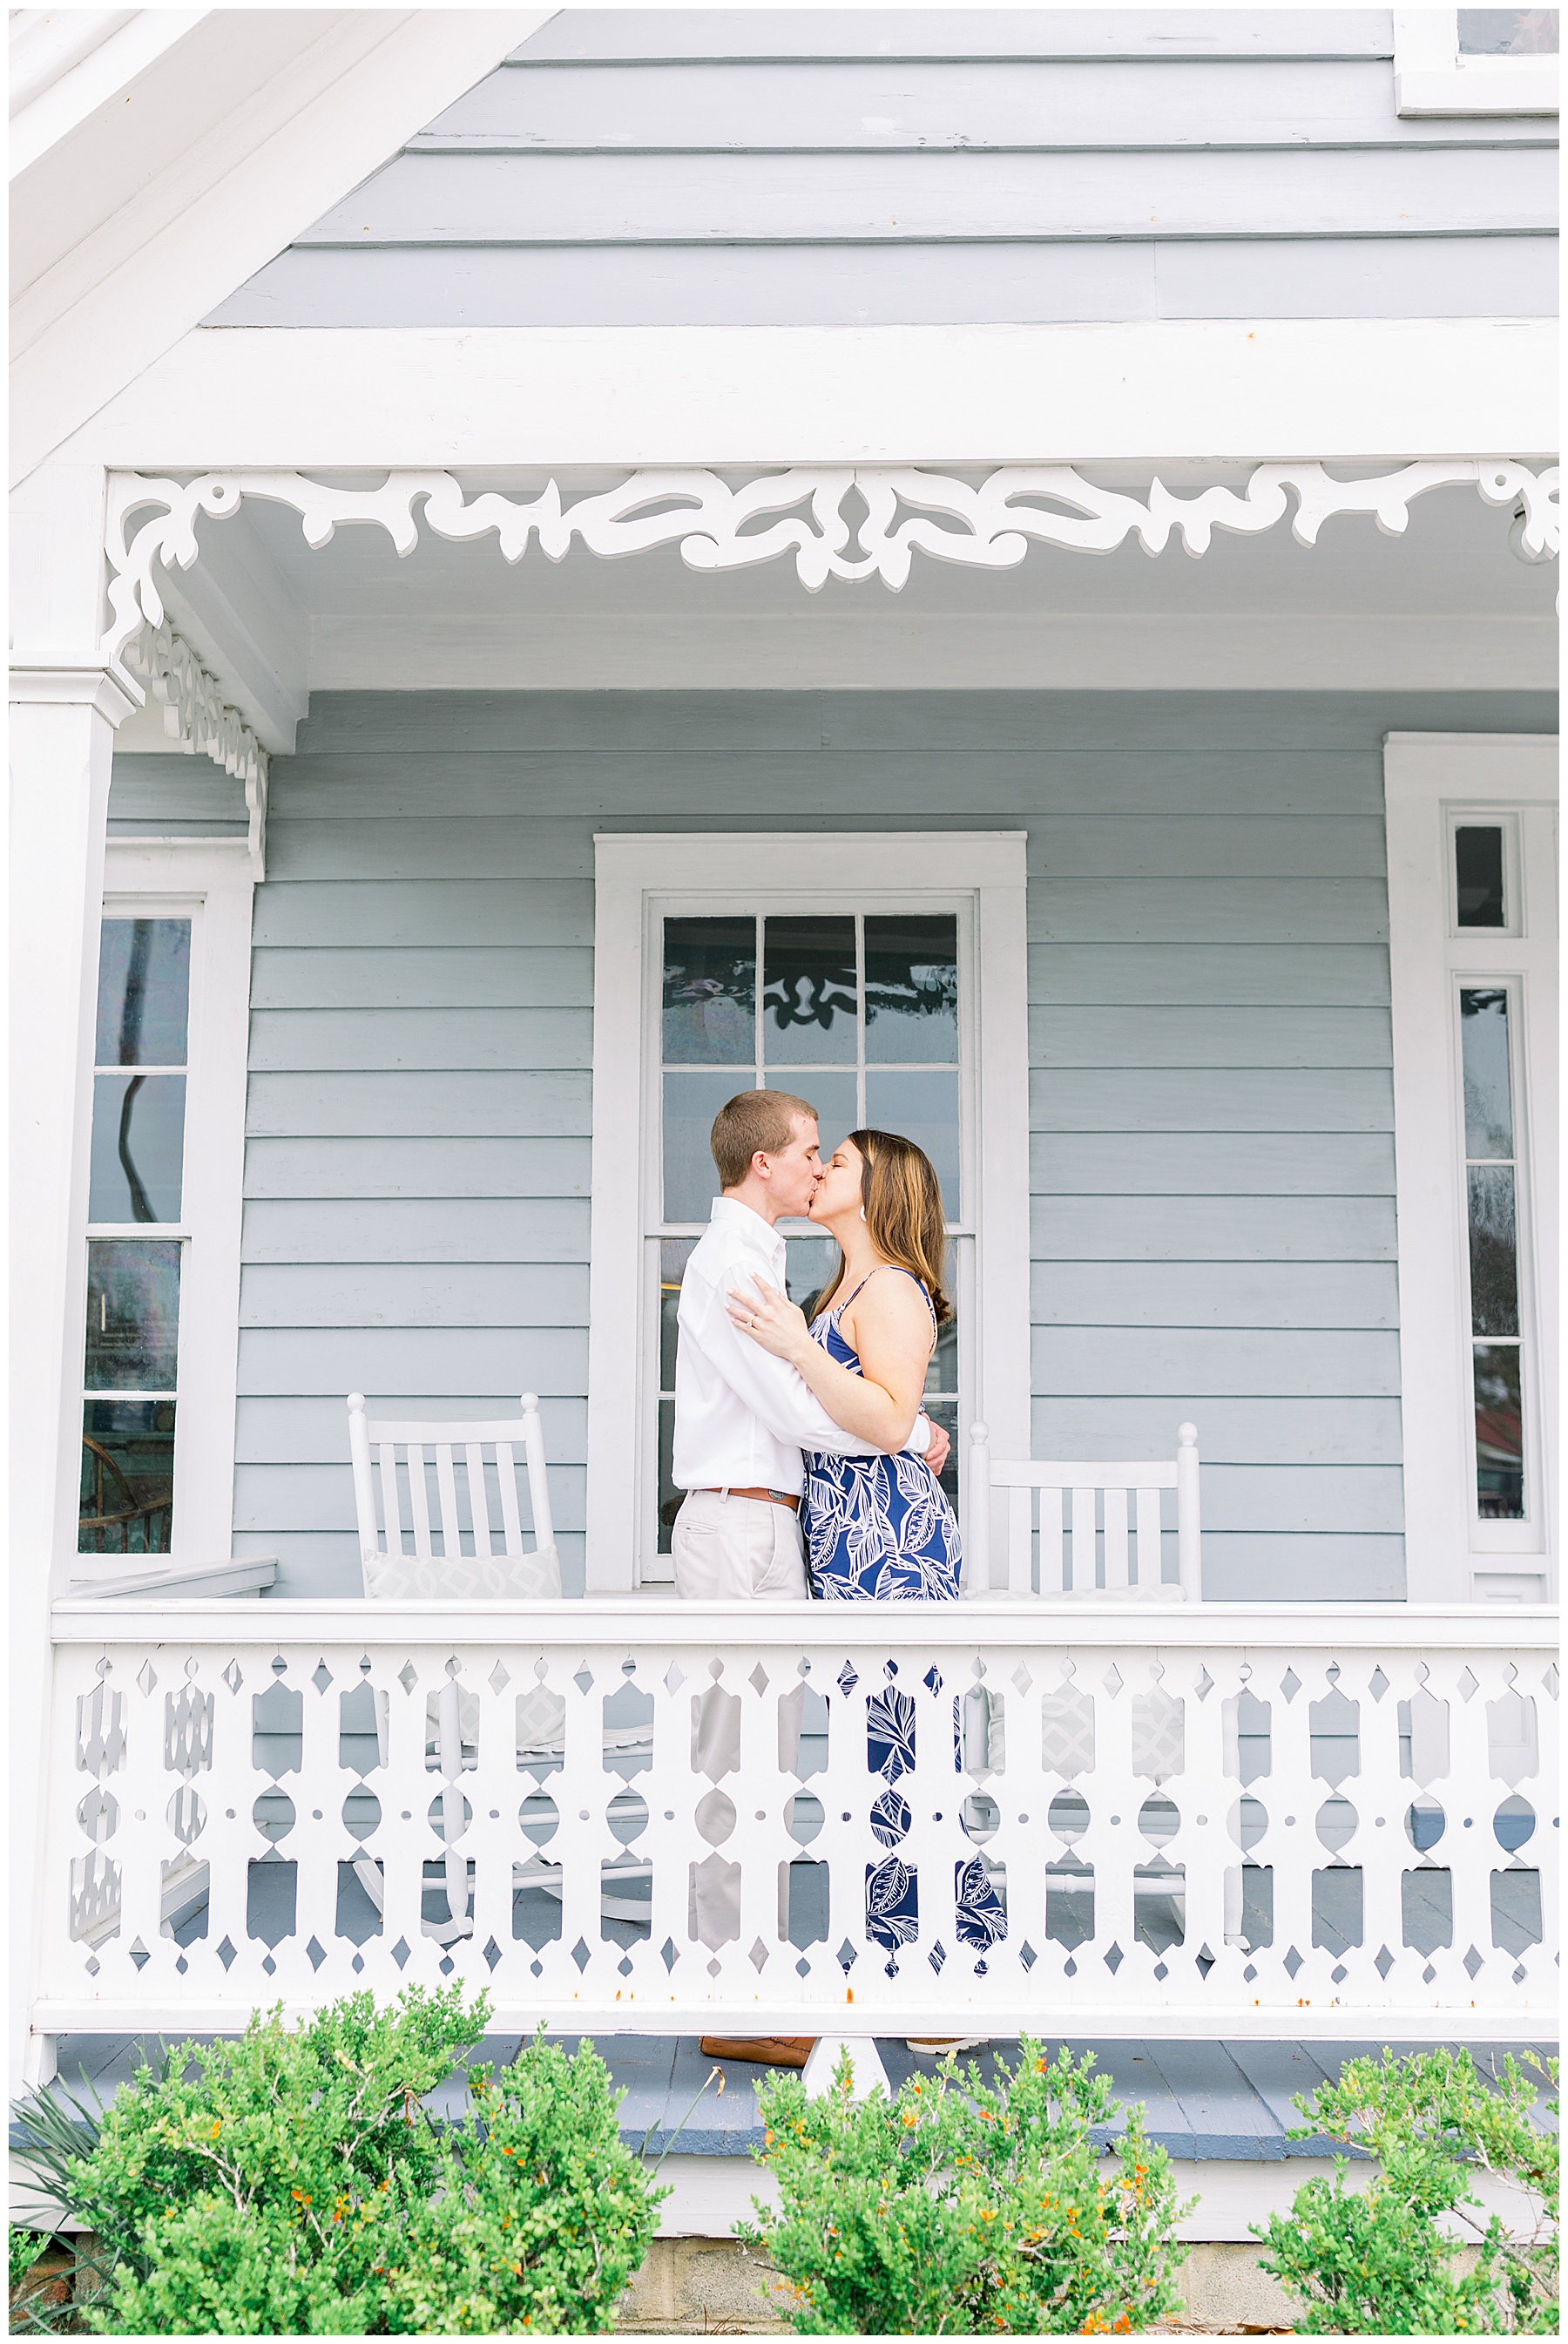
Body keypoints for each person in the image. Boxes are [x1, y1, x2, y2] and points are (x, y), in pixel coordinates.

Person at [671, 1089, 949, 1602]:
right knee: (753, 1685)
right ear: (763, 1164)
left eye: (832, 1161)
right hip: (763, 1522)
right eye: (812, 1154)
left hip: (873, 1524)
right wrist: (911, 1433)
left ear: (875, 1192)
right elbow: (797, 1412)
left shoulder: (862, 1283)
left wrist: (898, 1424)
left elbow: (831, 1396)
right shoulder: (740, 1265)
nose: (819, 1170)